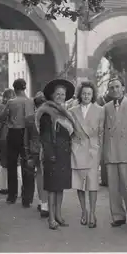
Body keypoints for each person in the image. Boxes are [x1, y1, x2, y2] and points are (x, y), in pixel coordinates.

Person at [36, 79, 83, 230]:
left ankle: (58, 215)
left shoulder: (65, 112)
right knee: (51, 187)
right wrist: (50, 154)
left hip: (64, 153)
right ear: (52, 95)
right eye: (58, 94)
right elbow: (45, 137)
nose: (60, 96)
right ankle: (51, 218)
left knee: (60, 187)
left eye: (63, 94)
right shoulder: (46, 112)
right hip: (53, 154)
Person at [103, 77, 127, 229]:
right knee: (113, 187)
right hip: (111, 151)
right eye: (111, 87)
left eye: (117, 86)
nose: (115, 90)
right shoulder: (105, 107)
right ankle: (117, 216)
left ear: (123, 88)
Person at [69, 81, 105, 229]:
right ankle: (83, 211)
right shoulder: (72, 110)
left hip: (93, 149)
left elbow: (102, 132)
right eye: (84, 93)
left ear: (93, 95)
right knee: (79, 183)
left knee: (92, 183)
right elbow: (69, 130)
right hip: (78, 149)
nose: (86, 96)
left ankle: (92, 213)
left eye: (89, 94)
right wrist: (74, 143)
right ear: (80, 94)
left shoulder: (100, 110)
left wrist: (99, 149)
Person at [0, 79, 35, 205]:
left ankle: (12, 195)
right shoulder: (30, 101)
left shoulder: (11, 102)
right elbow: (31, 119)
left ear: (14, 89)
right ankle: (27, 198)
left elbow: (2, 117)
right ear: (24, 88)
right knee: (28, 165)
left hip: (13, 133)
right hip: (26, 133)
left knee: (12, 165)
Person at [24, 92, 49, 217]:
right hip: (46, 149)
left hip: (34, 150)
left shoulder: (29, 118)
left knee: (39, 175)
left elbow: (26, 139)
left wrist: (27, 154)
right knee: (46, 175)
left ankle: (42, 201)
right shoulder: (49, 117)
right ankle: (45, 203)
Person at [0, 88, 15, 195]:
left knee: (4, 164)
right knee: (15, 163)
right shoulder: (18, 105)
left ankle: (4, 186)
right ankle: (15, 188)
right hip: (15, 135)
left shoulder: (0, 107)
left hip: (3, 137)